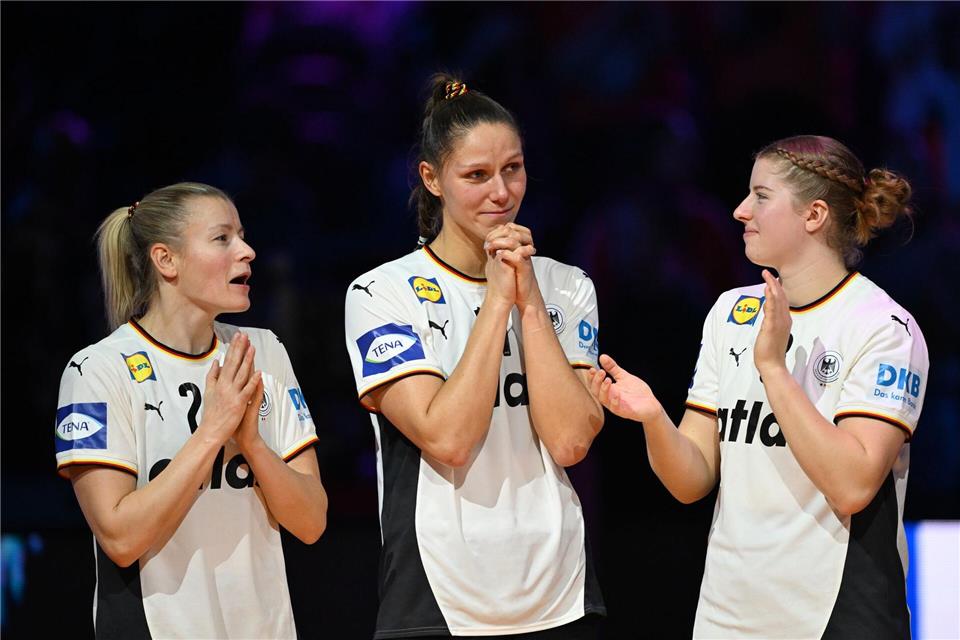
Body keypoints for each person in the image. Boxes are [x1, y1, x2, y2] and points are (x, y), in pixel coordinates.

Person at [589, 135, 928, 638]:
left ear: (813, 216)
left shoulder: (882, 327)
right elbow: (692, 480)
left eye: (761, 196)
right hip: (729, 613)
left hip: (839, 614)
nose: (739, 210)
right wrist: (653, 419)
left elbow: (853, 484)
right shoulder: (731, 311)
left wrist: (773, 367)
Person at [343, 74, 606, 639]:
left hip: (560, 589)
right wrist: (496, 299)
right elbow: (449, 439)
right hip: (437, 598)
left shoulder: (568, 285)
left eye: (513, 169)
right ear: (431, 178)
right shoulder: (380, 293)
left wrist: (530, 298)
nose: (502, 192)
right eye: (477, 176)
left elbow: (571, 442)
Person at [54, 182, 327, 639]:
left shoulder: (263, 350)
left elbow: (312, 521)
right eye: (222, 239)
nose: (248, 251)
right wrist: (213, 432)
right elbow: (120, 539)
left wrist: (252, 444)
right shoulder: (96, 370)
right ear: (167, 260)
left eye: (241, 235)